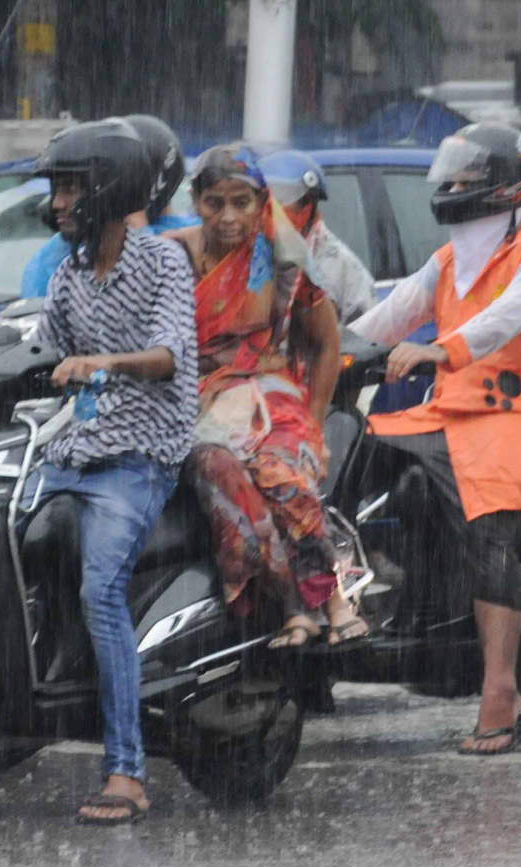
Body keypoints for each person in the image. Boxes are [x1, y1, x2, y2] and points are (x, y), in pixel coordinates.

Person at [351, 123, 521, 754]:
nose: (451, 187)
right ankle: (359, 598)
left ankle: (500, 689)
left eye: (466, 179)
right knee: (355, 452)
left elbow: (508, 316)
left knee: (486, 525)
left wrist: (441, 348)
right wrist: (325, 352)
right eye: (450, 177)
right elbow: (382, 320)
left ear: (504, 187)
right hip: (450, 410)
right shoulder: (449, 257)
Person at [26, 119, 198, 824]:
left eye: (70, 187)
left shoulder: (161, 264)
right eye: (57, 188)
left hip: (142, 451)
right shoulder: (67, 277)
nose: (59, 201)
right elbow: (41, 354)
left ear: (107, 190)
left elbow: (168, 357)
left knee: (101, 589)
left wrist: (104, 365)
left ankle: (125, 770)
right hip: (74, 448)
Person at [166, 144, 366, 650]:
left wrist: (314, 424)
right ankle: (292, 605)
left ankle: (331, 597)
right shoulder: (172, 257)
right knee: (222, 473)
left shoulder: (281, 256)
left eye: (242, 202)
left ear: (260, 201)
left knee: (280, 473)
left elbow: (326, 343)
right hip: (195, 404)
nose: (229, 217)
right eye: (216, 203)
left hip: (270, 397)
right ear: (195, 200)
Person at [20, 114, 196, 299]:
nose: (57, 204)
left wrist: (136, 229)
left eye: (71, 188)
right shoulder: (63, 261)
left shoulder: (184, 246)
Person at [259, 149, 377, 323]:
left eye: (288, 199)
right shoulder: (240, 251)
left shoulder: (338, 263)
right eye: (271, 199)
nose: (278, 210)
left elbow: (369, 335)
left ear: (310, 205)